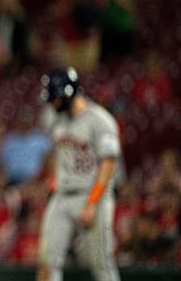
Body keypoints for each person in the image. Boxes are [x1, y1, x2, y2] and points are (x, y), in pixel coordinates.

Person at [36, 68, 121, 281]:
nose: (52, 103)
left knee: (102, 265)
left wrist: (92, 203)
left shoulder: (100, 120)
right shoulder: (54, 119)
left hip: (93, 196)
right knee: (47, 263)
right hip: (62, 197)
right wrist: (55, 179)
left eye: (56, 98)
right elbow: (57, 154)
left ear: (69, 93)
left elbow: (108, 164)